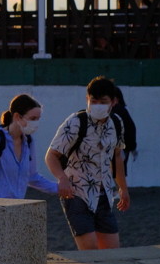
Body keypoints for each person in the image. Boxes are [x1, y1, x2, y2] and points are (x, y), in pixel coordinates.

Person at [45, 76, 130, 250]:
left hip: (105, 195)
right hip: (77, 194)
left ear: (113, 102)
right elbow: (51, 155)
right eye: (94, 101)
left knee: (112, 253)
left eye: (103, 101)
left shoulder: (116, 122)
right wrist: (62, 178)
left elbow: (117, 157)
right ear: (87, 99)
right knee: (90, 252)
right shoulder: (76, 121)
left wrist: (123, 188)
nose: (97, 105)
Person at [0, 94, 57, 198]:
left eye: (38, 119)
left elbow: (32, 176)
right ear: (17, 117)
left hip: (16, 209)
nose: (36, 123)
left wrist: (61, 188)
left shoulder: (29, 141)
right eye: (32, 118)